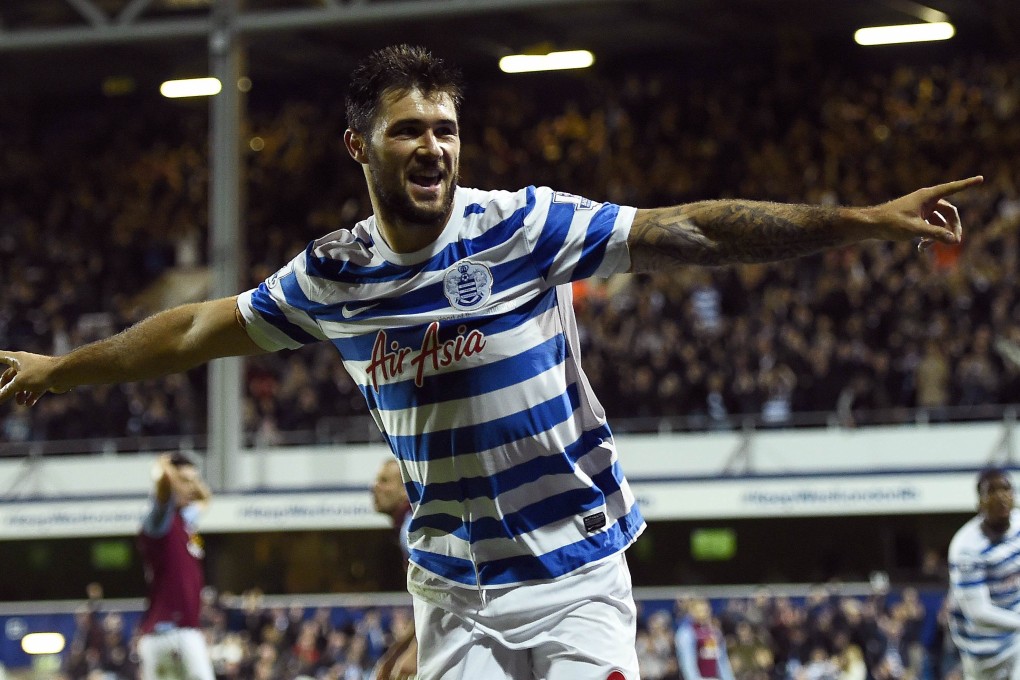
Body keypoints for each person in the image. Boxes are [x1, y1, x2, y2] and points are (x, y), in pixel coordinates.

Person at [0, 43, 982, 679]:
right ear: (359, 147)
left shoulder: (524, 227)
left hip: (574, 570)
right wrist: (59, 369)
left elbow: (691, 229)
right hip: (452, 589)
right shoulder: (334, 275)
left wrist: (858, 221)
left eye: (446, 129)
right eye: (407, 131)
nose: (433, 147)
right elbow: (188, 333)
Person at [135, 452, 214, 680]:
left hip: (183, 632)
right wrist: (164, 467)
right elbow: (162, 498)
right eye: (185, 481)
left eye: (194, 481)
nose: (192, 487)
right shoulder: (158, 521)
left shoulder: (185, 521)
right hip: (169, 632)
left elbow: (206, 499)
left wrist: (190, 479)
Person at [947, 467, 1020, 680]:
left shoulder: (1018, 525)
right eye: (992, 491)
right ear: (979, 502)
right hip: (983, 651)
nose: (1001, 496)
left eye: (1005, 489)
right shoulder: (966, 547)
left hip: (1016, 640)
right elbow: (978, 613)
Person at [370, 458, 418, 680]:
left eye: (384, 481)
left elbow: (445, 597)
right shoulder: (410, 524)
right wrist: (396, 651)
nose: (375, 487)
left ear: (406, 489)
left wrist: (413, 652)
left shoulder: (411, 532)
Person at [675, 597, 736, 680]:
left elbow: (722, 661)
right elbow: (688, 663)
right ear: (692, 612)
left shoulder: (715, 632)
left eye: (705, 610)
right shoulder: (687, 633)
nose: (703, 614)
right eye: (699, 611)